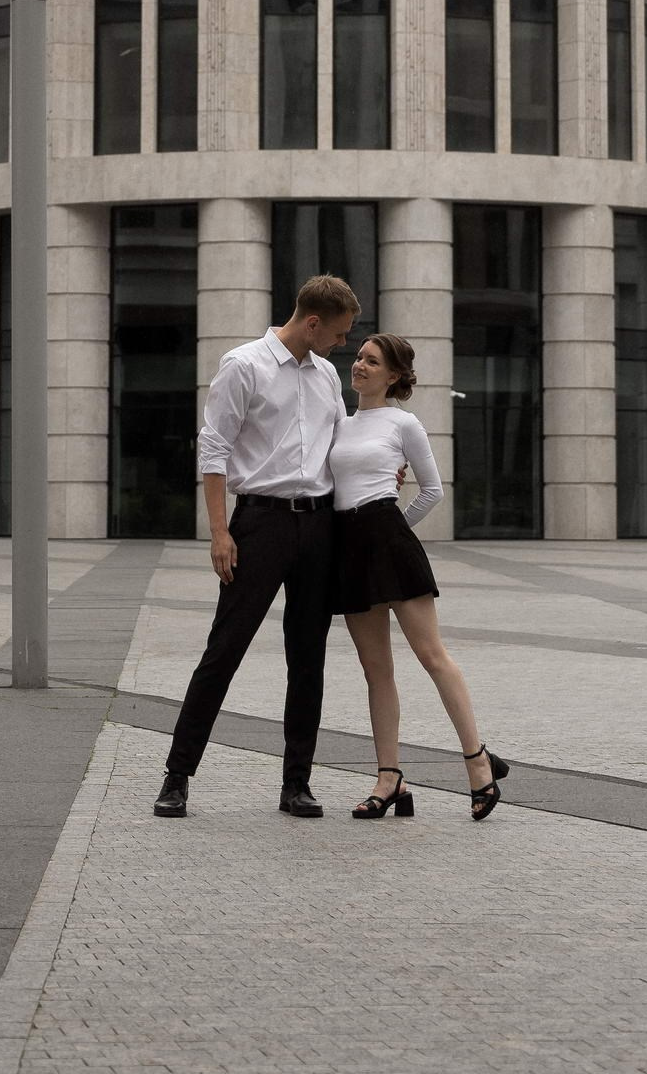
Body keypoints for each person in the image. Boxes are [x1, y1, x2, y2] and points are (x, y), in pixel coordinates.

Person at [154, 272, 359, 820]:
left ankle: (297, 784)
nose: (342, 343)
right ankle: (177, 776)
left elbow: (340, 445)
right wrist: (220, 532)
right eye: (338, 333)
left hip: (318, 525)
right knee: (225, 649)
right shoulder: (243, 365)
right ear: (312, 322)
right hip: (260, 524)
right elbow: (214, 448)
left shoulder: (327, 376)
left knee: (308, 657)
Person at [330, 331, 510, 822]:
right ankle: (389, 779)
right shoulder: (339, 424)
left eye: (372, 361)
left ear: (393, 375)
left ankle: (478, 763)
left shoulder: (404, 423)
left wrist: (393, 530)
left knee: (433, 657)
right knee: (376, 671)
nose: (359, 365)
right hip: (349, 550)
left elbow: (432, 490)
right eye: (359, 357)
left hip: (390, 543)